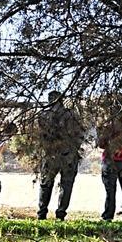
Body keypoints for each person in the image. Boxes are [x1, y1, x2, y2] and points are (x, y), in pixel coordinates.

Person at [36, 91, 85, 220]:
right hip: (67, 154)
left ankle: (42, 213)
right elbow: (79, 135)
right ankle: (60, 214)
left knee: (46, 183)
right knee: (66, 185)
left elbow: (40, 137)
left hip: (50, 154)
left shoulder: (43, 114)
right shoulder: (71, 114)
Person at [97, 119, 122, 221]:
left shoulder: (108, 126)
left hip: (111, 161)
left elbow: (101, 144)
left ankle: (108, 216)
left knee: (110, 190)